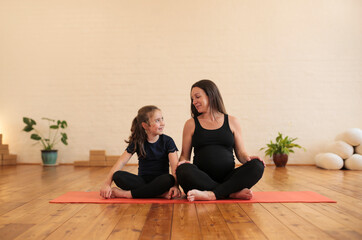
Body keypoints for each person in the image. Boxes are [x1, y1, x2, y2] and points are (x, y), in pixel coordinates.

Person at [176, 80, 265, 202]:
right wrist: (181, 165)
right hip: (201, 178)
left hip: (228, 178)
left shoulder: (232, 121)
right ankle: (229, 193)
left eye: (197, 97)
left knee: (257, 166)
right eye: (192, 99)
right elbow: (184, 156)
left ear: (211, 95)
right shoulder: (190, 124)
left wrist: (249, 159)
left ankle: (212, 194)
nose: (194, 102)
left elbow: (241, 153)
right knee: (182, 169)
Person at [100, 105, 181, 199]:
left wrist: (175, 186)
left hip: (160, 181)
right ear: (145, 125)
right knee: (117, 176)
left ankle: (126, 194)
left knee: (169, 179)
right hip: (141, 181)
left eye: (162, 119)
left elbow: (174, 166)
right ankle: (159, 194)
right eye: (157, 120)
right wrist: (107, 183)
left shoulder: (168, 141)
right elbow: (121, 162)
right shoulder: (138, 141)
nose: (162, 123)